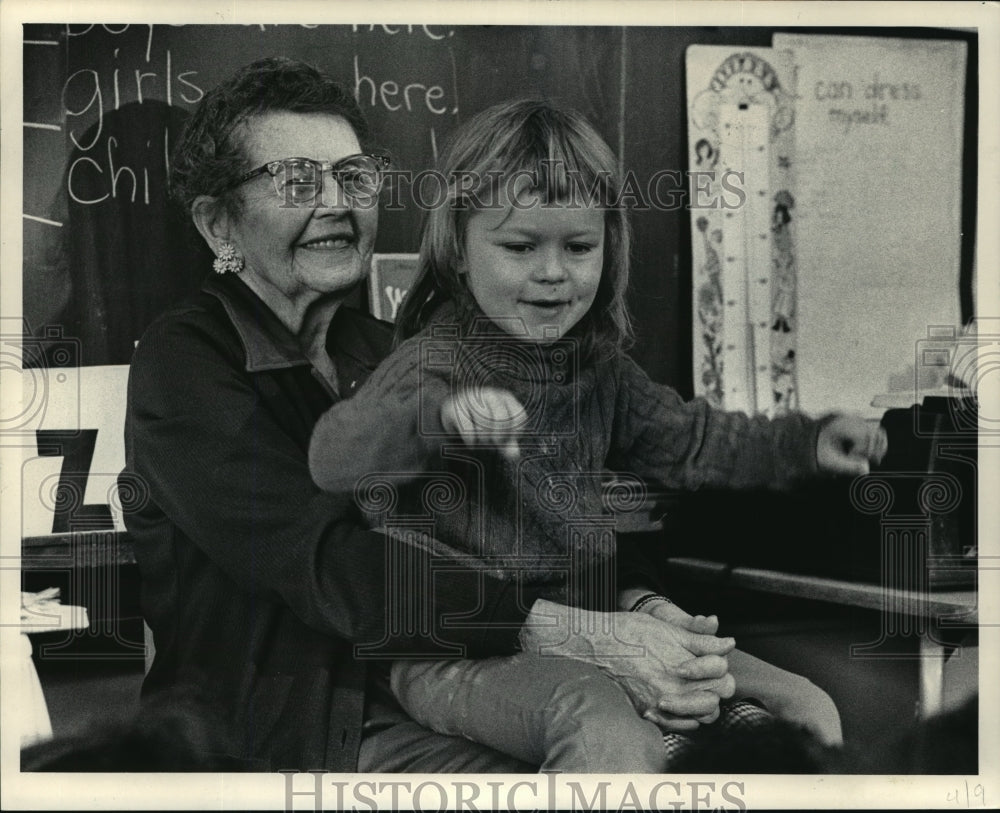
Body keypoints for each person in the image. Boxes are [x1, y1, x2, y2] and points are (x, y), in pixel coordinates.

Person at [119, 58, 739, 773]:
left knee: (722, 739)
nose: (336, 203)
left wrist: (647, 607)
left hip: (426, 688)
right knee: (608, 750)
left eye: (354, 177)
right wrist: (572, 633)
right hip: (287, 734)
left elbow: (534, 515)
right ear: (217, 222)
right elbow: (326, 562)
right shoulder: (183, 363)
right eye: (297, 180)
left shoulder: (390, 350)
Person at [308, 100, 887, 771]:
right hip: (455, 653)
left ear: (608, 245)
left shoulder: (599, 368)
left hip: (592, 623)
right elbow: (332, 457)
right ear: (459, 250)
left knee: (807, 706)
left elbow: (691, 440)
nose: (554, 272)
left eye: (578, 247)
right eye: (520, 247)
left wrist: (806, 442)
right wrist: (435, 420)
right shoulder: (429, 366)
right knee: (603, 727)